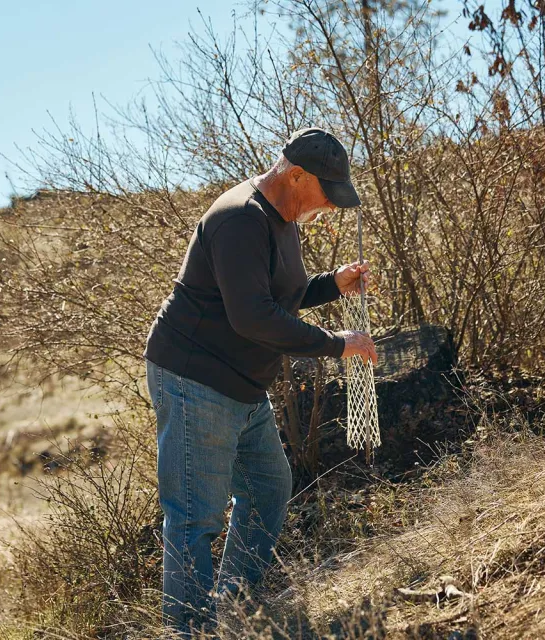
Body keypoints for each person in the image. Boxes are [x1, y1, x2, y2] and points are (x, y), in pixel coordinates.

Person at [144, 127, 378, 634]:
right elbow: (252, 318)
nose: (330, 208)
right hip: (194, 379)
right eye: (326, 195)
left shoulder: (283, 216)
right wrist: (337, 343)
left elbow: (277, 298)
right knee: (194, 519)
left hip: (244, 388)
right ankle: (191, 631)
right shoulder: (240, 219)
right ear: (296, 175)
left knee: (269, 488)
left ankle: (233, 613)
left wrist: (330, 285)